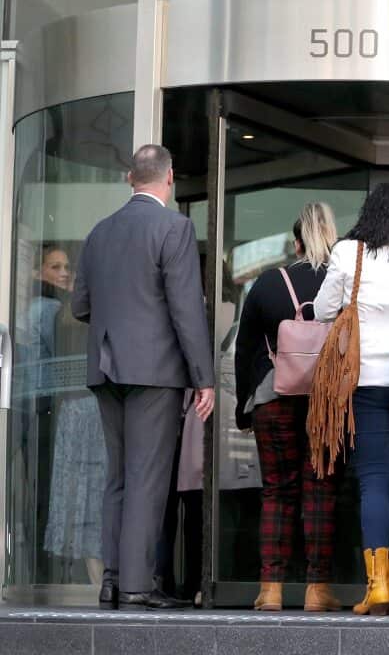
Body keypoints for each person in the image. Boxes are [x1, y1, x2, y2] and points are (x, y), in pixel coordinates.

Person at [71, 144, 215, 610]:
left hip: (106, 366)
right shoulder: (174, 228)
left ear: (131, 178)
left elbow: (80, 306)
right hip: (155, 370)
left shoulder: (99, 232)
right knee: (149, 477)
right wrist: (203, 376)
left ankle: (112, 580)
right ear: (169, 179)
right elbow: (186, 310)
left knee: (118, 476)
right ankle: (136, 585)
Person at [314, 183, 389, 616]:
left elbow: (324, 308)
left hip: (365, 380)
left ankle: (377, 586)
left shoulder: (351, 253)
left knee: (373, 480)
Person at [234, 203, 344, 612]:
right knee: (321, 490)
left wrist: (243, 408)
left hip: (273, 397)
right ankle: (318, 590)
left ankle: (272, 589)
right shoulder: (343, 283)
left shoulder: (267, 283)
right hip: (327, 405)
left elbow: (245, 350)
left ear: (295, 242)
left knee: (277, 493)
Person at [37, 246, 109, 587]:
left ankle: (81, 578)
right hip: (95, 408)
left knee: (74, 495)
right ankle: (97, 580)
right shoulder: (98, 311)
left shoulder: (63, 312)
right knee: (95, 496)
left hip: (71, 410)